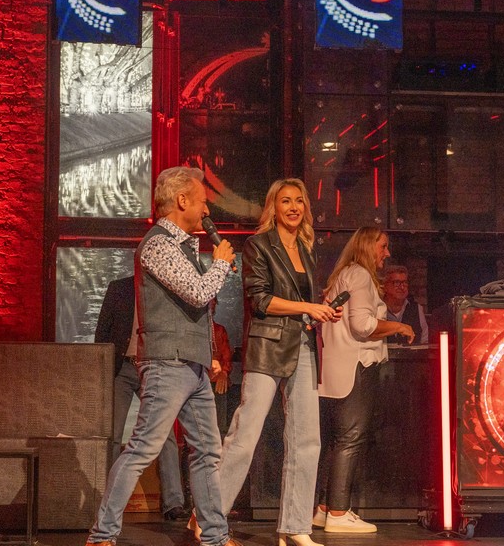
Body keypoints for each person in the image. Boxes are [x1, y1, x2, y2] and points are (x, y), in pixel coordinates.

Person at [86, 166, 241, 546]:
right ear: (182, 200)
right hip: (167, 363)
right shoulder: (157, 245)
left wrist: (209, 356)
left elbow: (196, 307)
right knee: (143, 448)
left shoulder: (184, 247)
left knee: (208, 451)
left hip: (193, 364)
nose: (207, 210)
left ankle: (215, 537)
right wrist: (221, 262)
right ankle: (102, 535)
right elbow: (198, 293)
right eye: (202, 201)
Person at [204, 178, 342, 546]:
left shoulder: (307, 249)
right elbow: (261, 300)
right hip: (267, 347)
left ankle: (294, 527)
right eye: (286, 201)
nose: (294, 207)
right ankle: (207, 517)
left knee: (307, 440)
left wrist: (322, 311)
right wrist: (307, 306)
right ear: (274, 208)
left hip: (303, 345)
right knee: (245, 434)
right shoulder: (258, 245)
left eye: (299, 201)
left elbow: (303, 305)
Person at [314, 227, 415, 534]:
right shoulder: (359, 275)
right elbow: (362, 325)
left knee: (338, 440)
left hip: (337, 368)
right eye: (383, 246)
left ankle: (325, 508)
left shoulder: (345, 274)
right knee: (351, 438)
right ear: (369, 246)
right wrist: (398, 327)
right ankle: (339, 512)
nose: (387, 253)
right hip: (357, 366)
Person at [94, 278, 186, 519]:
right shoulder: (120, 288)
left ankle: (173, 502)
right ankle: (107, 499)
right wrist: (102, 368)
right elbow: (103, 329)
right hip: (122, 368)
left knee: (165, 434)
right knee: (113, 434)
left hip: (154, 368)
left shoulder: (165, 287)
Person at [381, 264, 429, 345]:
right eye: (397, 283)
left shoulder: (416, 309)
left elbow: (424, 341)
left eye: (405, 282)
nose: (402, 287)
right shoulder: (377, 309)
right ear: (385, 286)